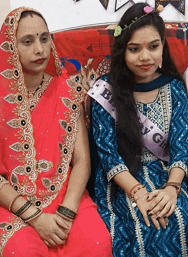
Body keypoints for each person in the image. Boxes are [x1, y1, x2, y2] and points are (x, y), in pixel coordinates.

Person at [0, 7, 112, 257]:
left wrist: (66, 214)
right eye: (28, 41)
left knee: (96, 243)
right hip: (11, 206)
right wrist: (35, 218)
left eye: (44, 38)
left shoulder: (67, 91)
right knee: (22, 251)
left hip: (65, 196)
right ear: (10, 48)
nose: (39, 49)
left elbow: (82, 162)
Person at [89, 3, 188, 256]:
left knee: (178, 214)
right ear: (122, 51)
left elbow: (182, 147)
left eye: (153, 47)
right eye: (134, 49)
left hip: (169, 176)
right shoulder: (105, 89)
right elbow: (108, 155)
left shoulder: (175, 88)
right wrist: (138, 193)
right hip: (123, 179)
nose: (145, 57)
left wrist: (171, 189)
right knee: (143, 223)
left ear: (163, 47)